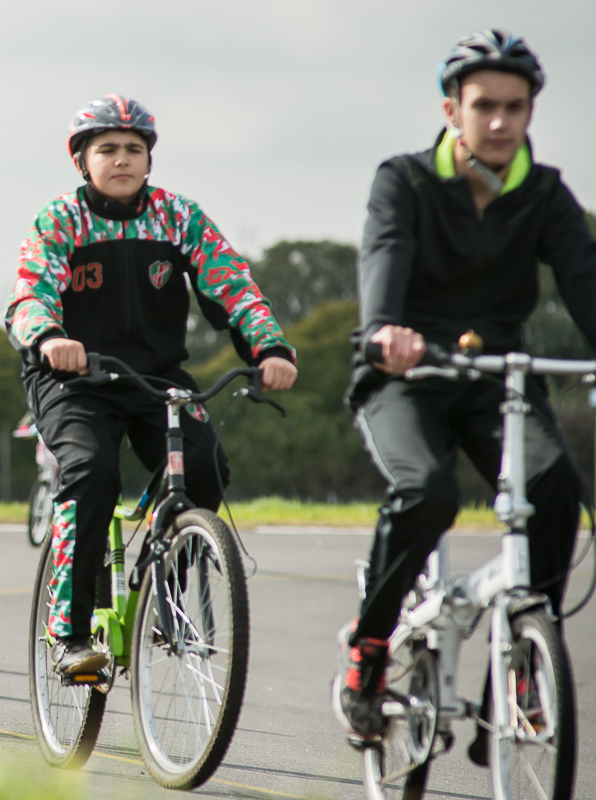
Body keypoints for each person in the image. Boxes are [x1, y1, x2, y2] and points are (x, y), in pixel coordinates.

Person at [339, 30, 596, 749]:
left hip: (495, 381)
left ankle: (516, 675)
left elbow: (584, 281)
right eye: (483, 105)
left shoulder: (545, 195)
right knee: (427, 493)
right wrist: (386, 327)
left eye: (515, 108)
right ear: (452, 109)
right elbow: (385, 254)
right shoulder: (406, 180)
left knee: (553, 489)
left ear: (528, 114)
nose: (499, 122)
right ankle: (368, 650)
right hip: (406, 375)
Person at [5, 94, 298, 674]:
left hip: (157, 381)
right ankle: (69, 630)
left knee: (206, 463)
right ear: (81, 161)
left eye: (134, 149)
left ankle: (170, 574)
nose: (122, 159)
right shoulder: (60, 220)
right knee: (91, 474)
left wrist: (268, 347)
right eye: (107, 149)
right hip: (72, 380)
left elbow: (233, 286)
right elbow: (29, 296)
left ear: (149, 159)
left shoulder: (178, 216)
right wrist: (48, 338)